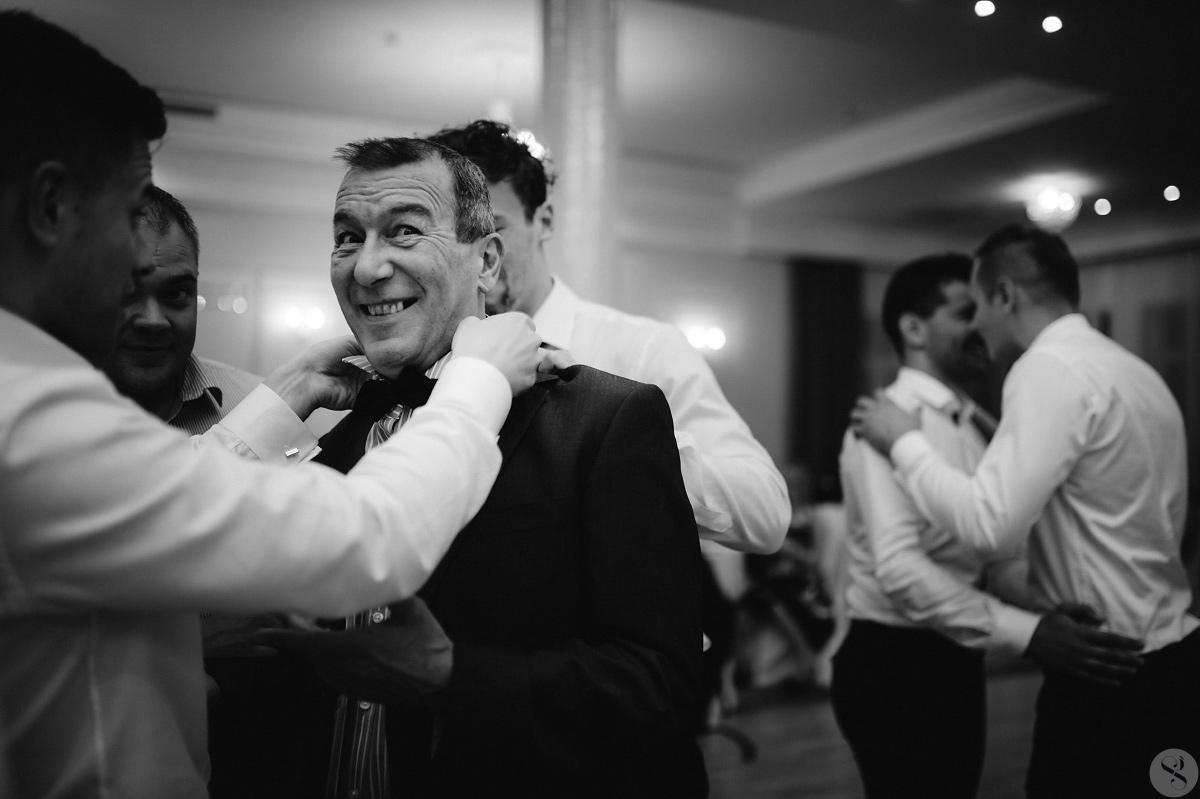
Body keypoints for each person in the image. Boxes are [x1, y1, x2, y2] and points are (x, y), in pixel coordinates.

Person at [0, 11, 542, 798]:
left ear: (484, 260)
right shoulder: (31, 417)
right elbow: (366, 538)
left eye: (404, 232)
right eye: (129, 212)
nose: (137, 256)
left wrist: (281, 397)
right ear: (50, 207)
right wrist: (478, 380)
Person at [212, 138, 707, 799]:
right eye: (347, 237)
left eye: (404, 231)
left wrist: (455, 675)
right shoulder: (331, 436)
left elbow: (661, 683)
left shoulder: (606, 418)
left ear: (488, 260)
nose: (367, 267)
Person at [852, 225, 1198, 799]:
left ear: (1005, 295)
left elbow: (990, 525)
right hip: (1170, 658)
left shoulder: (1047, 369)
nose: (978, 327)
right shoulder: (1136, 371)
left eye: (977, 306)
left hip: (1105, 669)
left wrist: (905, 443)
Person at [425, 119, 790, 556]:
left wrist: (622, 436)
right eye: (450, 235)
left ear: (544, 221)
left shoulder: (644, 348)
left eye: (492, 227)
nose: (473, 255)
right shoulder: (425, 359)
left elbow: (766, 514)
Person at [833, 254, 1041, 798]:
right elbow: (900, 570)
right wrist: (1030, 634)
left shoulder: (968, 423)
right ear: (913, 329)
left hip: (953, 653)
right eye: (965, 311)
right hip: (894, 665)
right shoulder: (882, 422)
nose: (983, 323)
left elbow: (985, 539)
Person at [101, 185, 261, 432]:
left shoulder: (258, 410)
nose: (153, 320)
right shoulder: (38, 421)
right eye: (125, 292)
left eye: (175, 294)